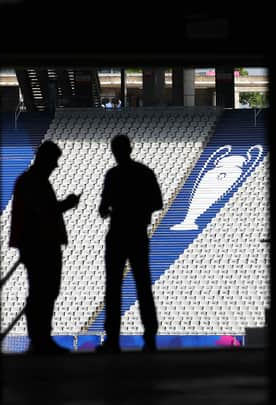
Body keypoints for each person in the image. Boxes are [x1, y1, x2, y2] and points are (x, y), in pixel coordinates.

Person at [9, 140, 81, 355]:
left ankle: (41, 339)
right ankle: (40, 340)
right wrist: (66, 204)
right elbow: (43, 211)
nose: (55, 166)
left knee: (44, 291)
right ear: (45, 160)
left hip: (37, 244)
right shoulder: (33, 182)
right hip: (40, 245)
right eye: (54, 162)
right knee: (43, 292)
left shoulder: (30, 181)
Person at [96, 134, 163, 353]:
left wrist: (116, 208)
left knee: (113, 288)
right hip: (137, 234)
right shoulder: (144, 173)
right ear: (130, 149)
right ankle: (150, 337)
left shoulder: (113, 175)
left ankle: (113, 339)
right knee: (143, 285)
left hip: (117, 234)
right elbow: (157, 203)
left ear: (115, 151)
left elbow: (103, 209)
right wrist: (140, 211)